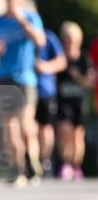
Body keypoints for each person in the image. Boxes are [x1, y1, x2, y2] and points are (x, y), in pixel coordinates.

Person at [0, 0, 46, 187]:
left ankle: (33, 163)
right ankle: (17, 169)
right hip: (3, 78)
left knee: (26, 125)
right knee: (10, 126)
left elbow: (40, 41)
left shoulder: (30, 17)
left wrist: (23, 22)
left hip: (25, 78)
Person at [55, 21, 95, 180]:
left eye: (71, 39)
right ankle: (65, 164)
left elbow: (90, 82)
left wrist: (77, 77)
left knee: (77, 137)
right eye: (66, 39)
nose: (69, 43)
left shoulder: (84, 59)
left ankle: (76, 166)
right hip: (63, 102)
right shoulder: (60, 59)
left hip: (79, 102)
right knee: (64, 131)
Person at [35, 28, 67, 177]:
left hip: (45, 90)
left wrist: (46, 67)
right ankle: (31, 161)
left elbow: (62, 61)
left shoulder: (48, 37)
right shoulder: (15, 36)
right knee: (29, 128)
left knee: (45, 128)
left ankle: (45, 160)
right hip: (23, 88)